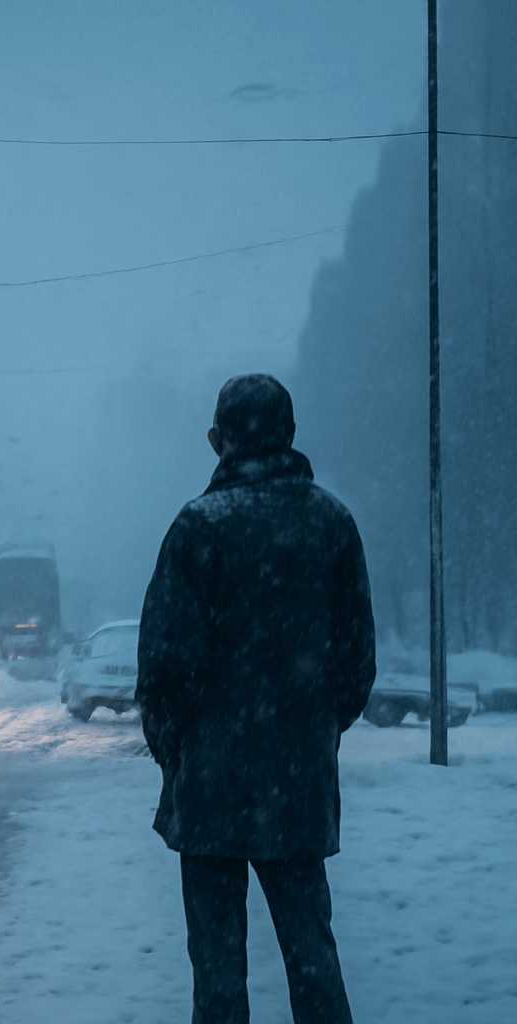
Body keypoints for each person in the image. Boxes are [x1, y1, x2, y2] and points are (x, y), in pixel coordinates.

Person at [136, 374, 376, 1024]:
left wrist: (180, 751)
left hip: (211, 789)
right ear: (290, 435)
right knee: (312, 957)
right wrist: (312, 730)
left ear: (218, 441)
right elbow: (357, 667)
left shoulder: (198, 527)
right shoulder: (332, 523)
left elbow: (163, 667)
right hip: (297, 786)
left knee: (217, 971)